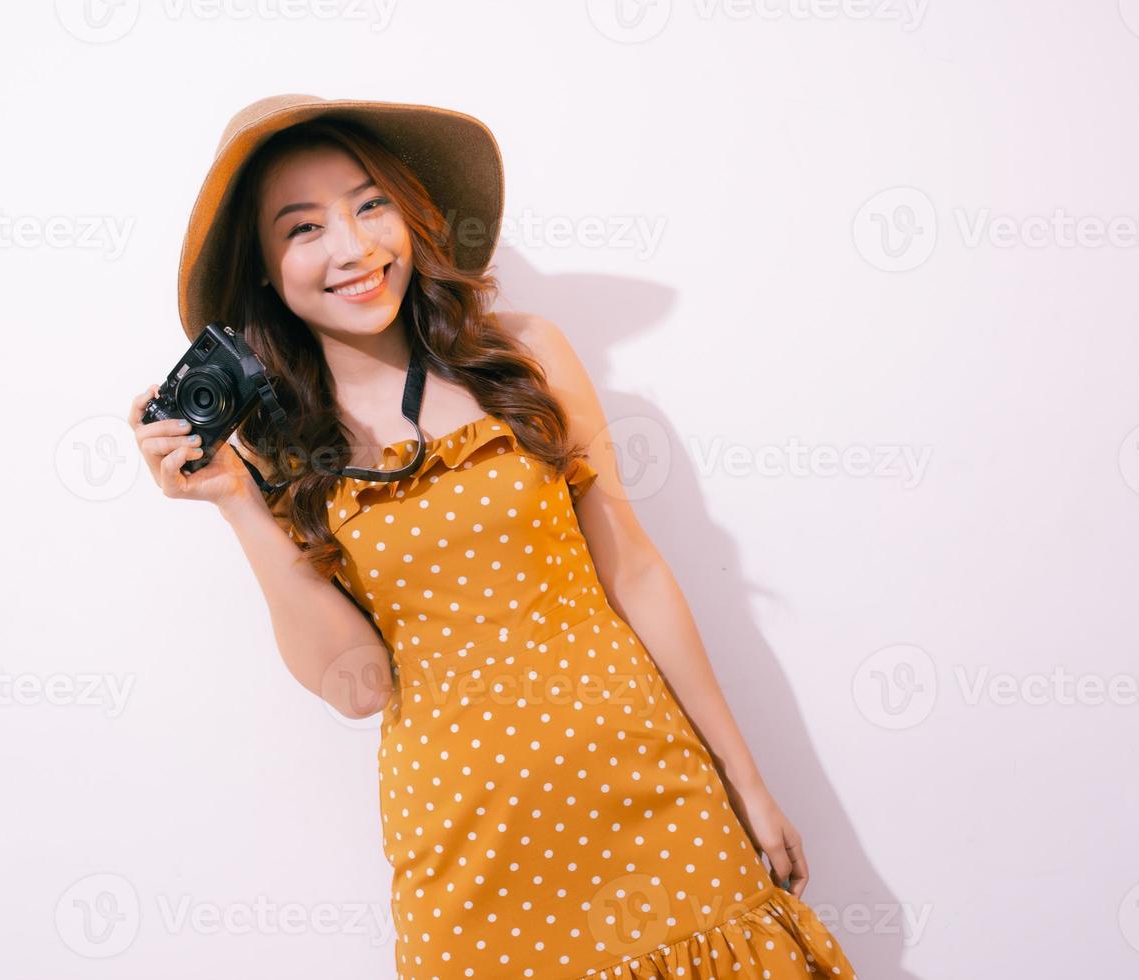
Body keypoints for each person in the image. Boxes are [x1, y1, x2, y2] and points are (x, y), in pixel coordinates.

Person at [130, 94, 859, 980]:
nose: (354, 248)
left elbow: (632, 569)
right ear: (264, 271)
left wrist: (745, 778)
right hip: (467, 849)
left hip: (649, 794)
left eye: (369, 205)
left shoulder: (526, 355)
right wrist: (240, 505)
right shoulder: (280, 451)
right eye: (303, 227)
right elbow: (357, 690)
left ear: (410, 214)